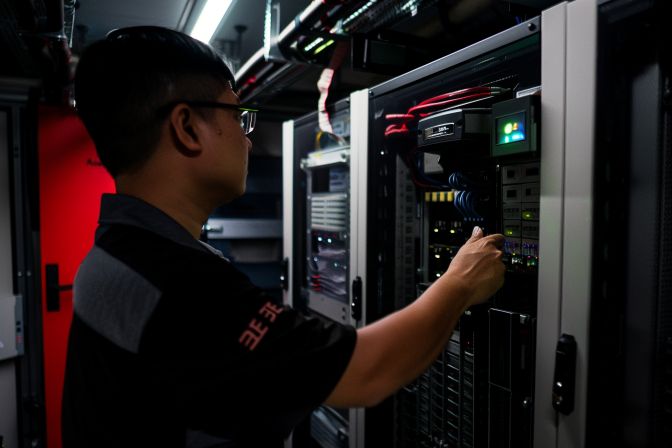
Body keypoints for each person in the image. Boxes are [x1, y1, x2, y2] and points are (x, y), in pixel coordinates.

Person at [61, 26, 505, 448]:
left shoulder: (113, 255)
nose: (248, 140)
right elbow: (368, 372)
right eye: (238, 115)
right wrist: (461, 282)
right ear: (186, 127)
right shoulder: (181, 287)